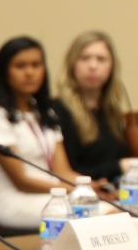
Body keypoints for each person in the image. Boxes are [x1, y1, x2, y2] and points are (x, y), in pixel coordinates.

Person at [0, 36, 81, 231]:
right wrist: (74, 190)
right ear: (4, 71)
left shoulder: (44, 112)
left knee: (117, 209)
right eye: (20, 66)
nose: (30, 72)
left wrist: (89, 187)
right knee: (97, 213)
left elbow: (62, 171)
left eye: (36, 65)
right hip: (17, 202)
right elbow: (22, 181)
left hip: (55, 196)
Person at [52, 31, 135, 184]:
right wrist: (119, 166)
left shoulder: (112, 111)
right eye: (84, 58)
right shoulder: (58, 110)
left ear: (112, 67)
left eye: (101, 59)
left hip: (118, 193)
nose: (93, 66)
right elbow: (69, 171)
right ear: (72, 64)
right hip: (82, 196)